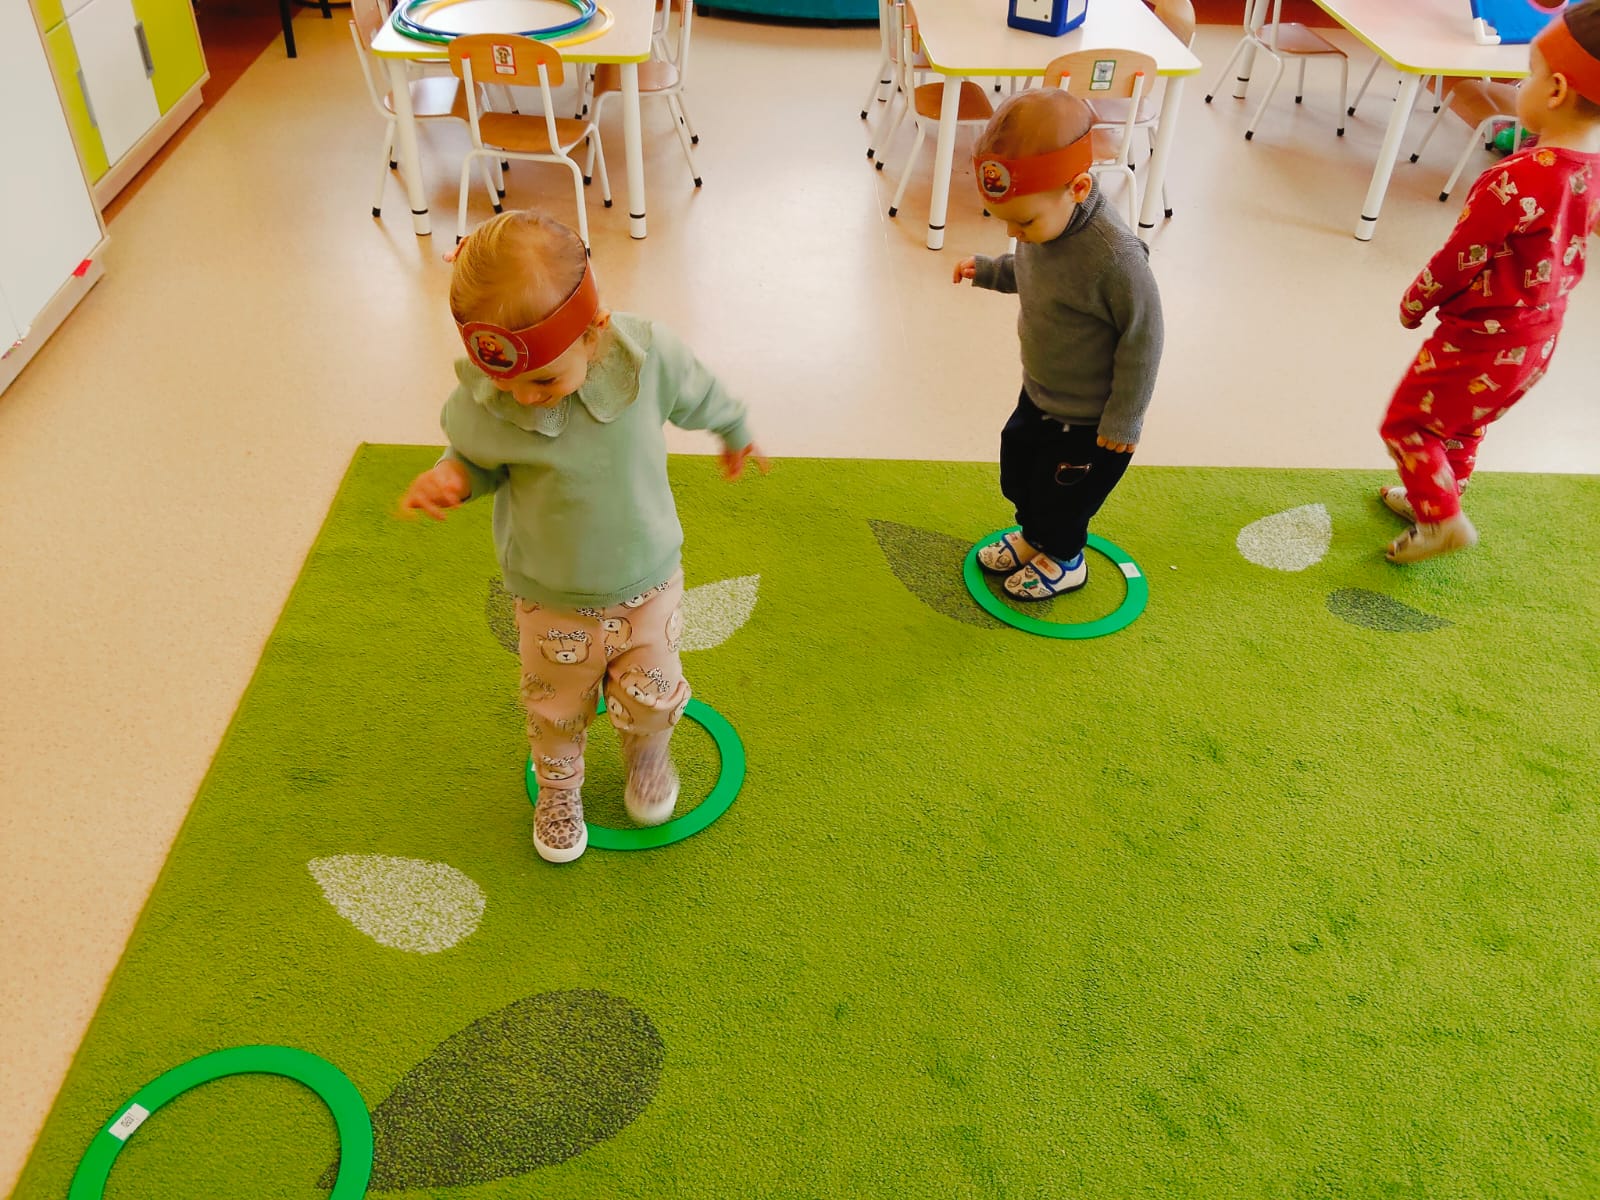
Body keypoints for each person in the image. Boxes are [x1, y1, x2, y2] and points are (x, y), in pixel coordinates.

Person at [400, 210, 765, 863]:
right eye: (506, 381)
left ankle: (646, 754)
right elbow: (477, 459)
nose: (524, 397)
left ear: (595, 332)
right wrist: (451, 477)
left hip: (648, 579)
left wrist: (733, 427)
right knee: (556, 709)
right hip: (551, 598)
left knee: (652, 693)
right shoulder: (497, 399)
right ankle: (559, 789)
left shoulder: (646, 360)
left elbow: (698, 390)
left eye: (542, 380)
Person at [1379, 0, 1600, 563]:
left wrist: (1414, 302)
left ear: (1555, 90)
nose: (1521, 85)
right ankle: (1437, 496)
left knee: (1410, 424)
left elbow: (1461, 257)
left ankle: (1441, 519)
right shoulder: (1594, 169)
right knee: (1463, 420)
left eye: (1529, 74)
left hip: (1480, 338)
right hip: (1538, 341)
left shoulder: (1516, 179)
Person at [953, 88, 1163, 600]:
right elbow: (1035, 273)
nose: (1015, 233)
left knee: (1065, 497)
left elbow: (1145, 338)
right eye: (1005, 221)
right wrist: (991, 270)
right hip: (1041, 394)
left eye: (1023, 222)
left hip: (1091, 421)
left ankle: (1066, 558)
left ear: (1078, 188)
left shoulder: (1115, 258)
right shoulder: (1045, 227)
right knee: (1021, 473)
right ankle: (1034, 537)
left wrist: (1124, 419)